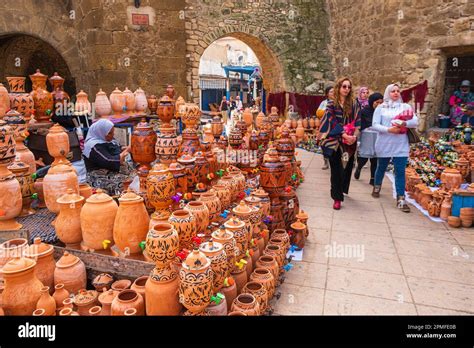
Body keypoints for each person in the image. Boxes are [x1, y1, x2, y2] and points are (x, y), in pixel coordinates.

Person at [371, 83, 419, 212]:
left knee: (399, 171)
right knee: (381, 167)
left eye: (398, 91)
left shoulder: (405, 106)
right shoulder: (381, 107)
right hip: (384, 142)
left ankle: (401, 199)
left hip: (400, 144)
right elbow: (375, 124)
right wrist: (389, 129)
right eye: (393, 91)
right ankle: (377, 186)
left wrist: (405, 123)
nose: (396, 93)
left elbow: (415, 121)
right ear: (388, 93)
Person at [319, 77, 361, 210]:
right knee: (336, 170)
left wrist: (354, 136)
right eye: (344, 86)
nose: (347, 89)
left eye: (349, 87)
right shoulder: (331, 105)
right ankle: (337, 198)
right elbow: (331, 121)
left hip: (349, 143)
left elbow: (358, 121)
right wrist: (343, 134)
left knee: (347, 168)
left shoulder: (354, 104)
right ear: (339, 88)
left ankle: (342, 189)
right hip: (334, 142)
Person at [83, 119, 133, 195]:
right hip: (100, 177)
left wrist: (128, 148)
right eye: (109, 133)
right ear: (101, 132)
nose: (112, 135)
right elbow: (108, 160)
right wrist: (126, 151)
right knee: (126, 183)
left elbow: (117, 149)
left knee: (137, 176)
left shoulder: (108, 140)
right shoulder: (92, 146)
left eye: (113, 132)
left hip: (113, 172)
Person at [354, 92, 383, 185]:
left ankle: (372, 179)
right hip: (367, 136)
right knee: (364, 157)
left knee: (375, 157)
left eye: (380, 103)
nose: (378, 105)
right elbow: (360, 124)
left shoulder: (382, 112)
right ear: (371, 102)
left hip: (377, 136)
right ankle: (359, 168)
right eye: (376, 102)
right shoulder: (364, 111)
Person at [317, 86, 334, 170]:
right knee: (324, 143)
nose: (333, 93)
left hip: (334, 126)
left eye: (334, 91)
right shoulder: (324, 103)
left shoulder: (339, 102)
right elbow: (318, 113)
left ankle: (334, 161)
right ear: (327, 94)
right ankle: (326, 162)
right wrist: (328, 110)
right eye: (331, 92)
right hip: (325, 125)